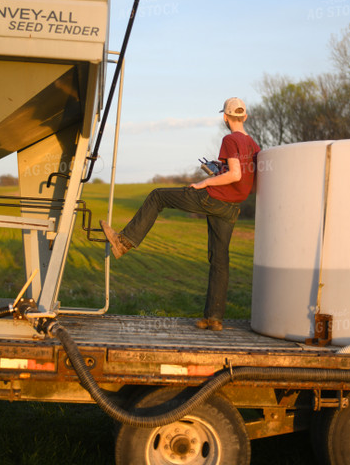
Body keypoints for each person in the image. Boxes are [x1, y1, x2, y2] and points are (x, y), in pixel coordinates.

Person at [100, 97, 260, 331]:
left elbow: (235, 174)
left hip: (214, 198)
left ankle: (124, 242)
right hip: (232, 207)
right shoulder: (253, 145)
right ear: (245, 117)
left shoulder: (230, 139)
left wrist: (206, 182)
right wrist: (221, 170)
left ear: (225, 117)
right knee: (220, 260)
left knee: (158, 196)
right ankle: (214, 318)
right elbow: (245, 177)